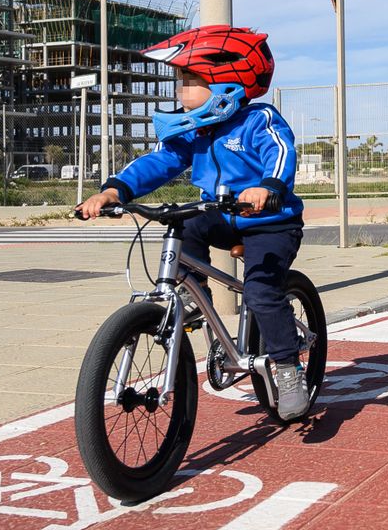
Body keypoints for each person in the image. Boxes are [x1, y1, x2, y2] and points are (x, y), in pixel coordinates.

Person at [76, 25, 310, 419]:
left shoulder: (258, 119)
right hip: (220, 216)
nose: (180, 92)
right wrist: (115, 191)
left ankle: (287, 367)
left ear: (226, 84)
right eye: (180, 81)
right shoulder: (197, 130)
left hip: (270, 221)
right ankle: (192, 293)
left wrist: (269, 187)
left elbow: (282, 152)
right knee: (183, 223)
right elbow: (160, 162)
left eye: (189, 81)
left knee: (260, 291)